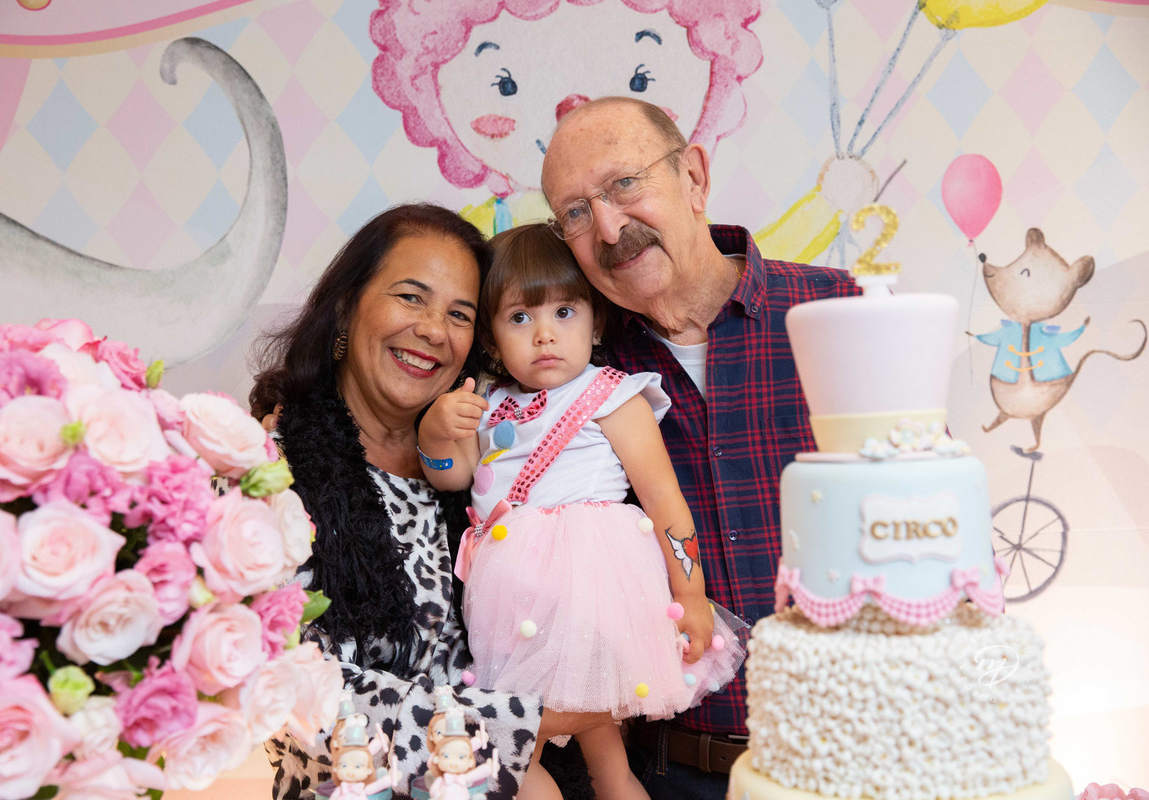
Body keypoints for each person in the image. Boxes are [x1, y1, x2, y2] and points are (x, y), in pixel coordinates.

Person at [539, 97, 861, 797]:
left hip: (853, 761)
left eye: (625, 184)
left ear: (693, 176)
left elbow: (937, 531)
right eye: (575, 212)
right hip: (670, 771)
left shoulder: (841, 315)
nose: (610, 226)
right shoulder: (572, 373)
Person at [416, 224, 745, 800]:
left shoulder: (612, 394)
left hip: (591, 584)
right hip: (510, 595)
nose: (544, 335)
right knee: (559, 739)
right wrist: (436, 433)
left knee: (539, 739)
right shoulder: (488, 403)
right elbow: (457, 477)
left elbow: (665, 500)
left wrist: (690, 595)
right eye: (520, 318)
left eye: (564, 313)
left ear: (595, 320)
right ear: (491, 339)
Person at [252, 204, 559, 799]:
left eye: (459, 314)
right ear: (346, 306)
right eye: (411, 298)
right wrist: (527, 719)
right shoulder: (268, 472)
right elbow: (298, 691)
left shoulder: (484, 470)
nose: (434, 330)